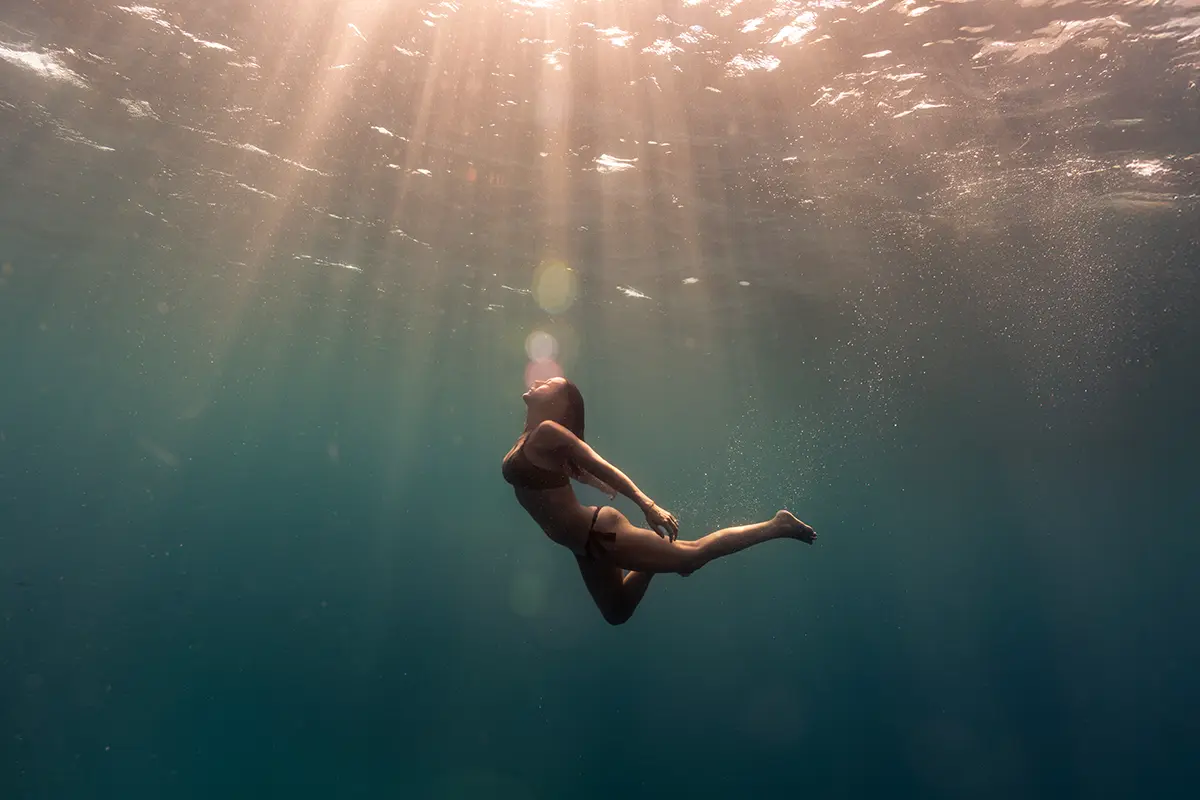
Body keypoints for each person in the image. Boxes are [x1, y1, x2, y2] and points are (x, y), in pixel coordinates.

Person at [502, 376, 817, 625]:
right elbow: (566, 471)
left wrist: (646, 504)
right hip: (584, 547)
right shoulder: (528, 439)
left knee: (691, 556)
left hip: (599, 534)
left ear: (559, 406)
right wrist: (593, 482)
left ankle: (777, 525)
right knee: (616, 612)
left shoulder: (547, 432)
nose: (537, 383)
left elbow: (600, 464)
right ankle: (654, 558)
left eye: (547, 385)